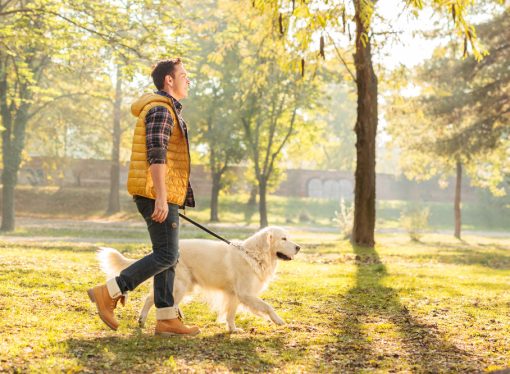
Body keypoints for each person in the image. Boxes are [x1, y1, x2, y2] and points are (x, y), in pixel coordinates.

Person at [87, 58, 200, 336]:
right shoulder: (161, 109)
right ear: (168, 80)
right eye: (183, 75)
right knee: (167, 254)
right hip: (155, 194)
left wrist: (172, 196)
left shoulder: (167, 109)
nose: (188, 80)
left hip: (162, 194)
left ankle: (166, 319)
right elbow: (156, 153)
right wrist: (162, 197)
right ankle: (110, 291)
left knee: (169, 257)